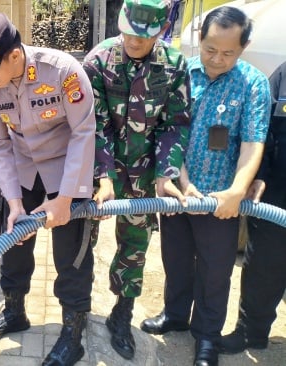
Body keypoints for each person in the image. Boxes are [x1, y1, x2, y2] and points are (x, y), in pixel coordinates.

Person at [0, 13, 96, 366]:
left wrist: (66, 199)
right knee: (15, 244)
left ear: (15, 56)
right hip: (23, 171)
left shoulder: (63, 71)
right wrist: (14, 202)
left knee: (71, 256)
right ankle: (14, 311)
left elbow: (84, 133)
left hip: (67, 171)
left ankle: (73, 333)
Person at [140, 7, 271, 366]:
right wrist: (181, 180)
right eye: (211, 49)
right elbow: (170, 131)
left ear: (243, 49)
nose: (217, 59)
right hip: (180, 193)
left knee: (215, 270)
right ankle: (176, 314)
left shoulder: (253, 83)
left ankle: (207, 337)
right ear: (200, 40)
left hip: (220, 200)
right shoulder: (182, 74)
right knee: (176, 259)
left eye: (228, 53)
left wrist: (236, 190)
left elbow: (252, 142)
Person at [81, 0, 191, 360]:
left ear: (160, 32)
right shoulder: (98, 60)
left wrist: (166, 174)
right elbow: (94, 124)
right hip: (98, 172)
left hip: (145, 173)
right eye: (127, 32)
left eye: (142, 37)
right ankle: (76, 308)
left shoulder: (174, 66)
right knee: (82, 238)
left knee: (134, 246)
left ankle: (121, 314)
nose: (132, 41)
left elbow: (175, 124)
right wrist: (104, 175)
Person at [218, 60, 286, 354]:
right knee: (264, 264)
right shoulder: (283, 74)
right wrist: (257, 176)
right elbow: (265, 130)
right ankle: (251, 332)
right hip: (278, 190)